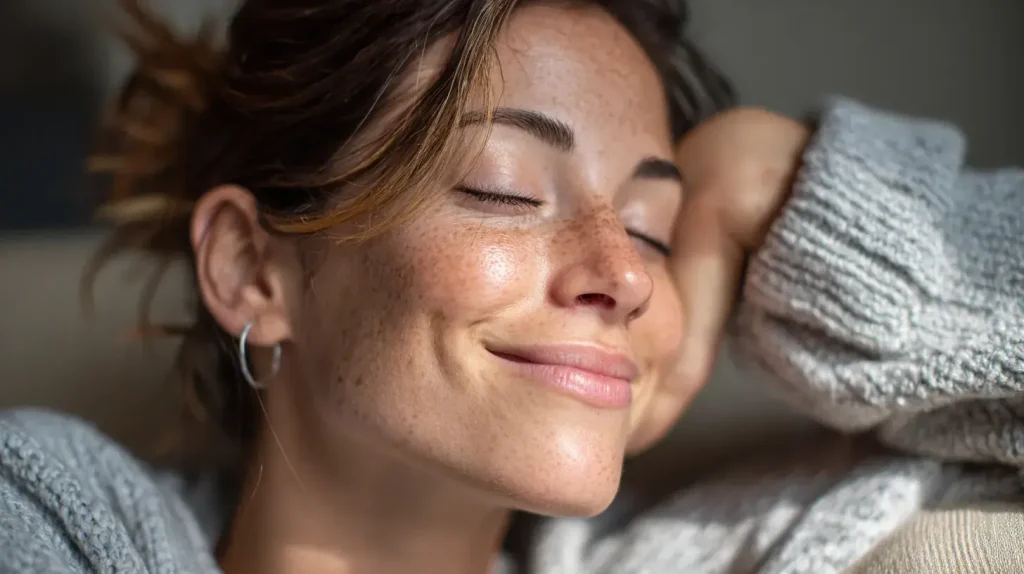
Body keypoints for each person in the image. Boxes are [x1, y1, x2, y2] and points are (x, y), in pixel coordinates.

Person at [1, 0, 1021, 573]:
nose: (622, 272)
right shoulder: (51, 512)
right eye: (503, 189)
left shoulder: (708, 553)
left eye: (655, 228)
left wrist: (796, 193)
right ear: (250, 266)